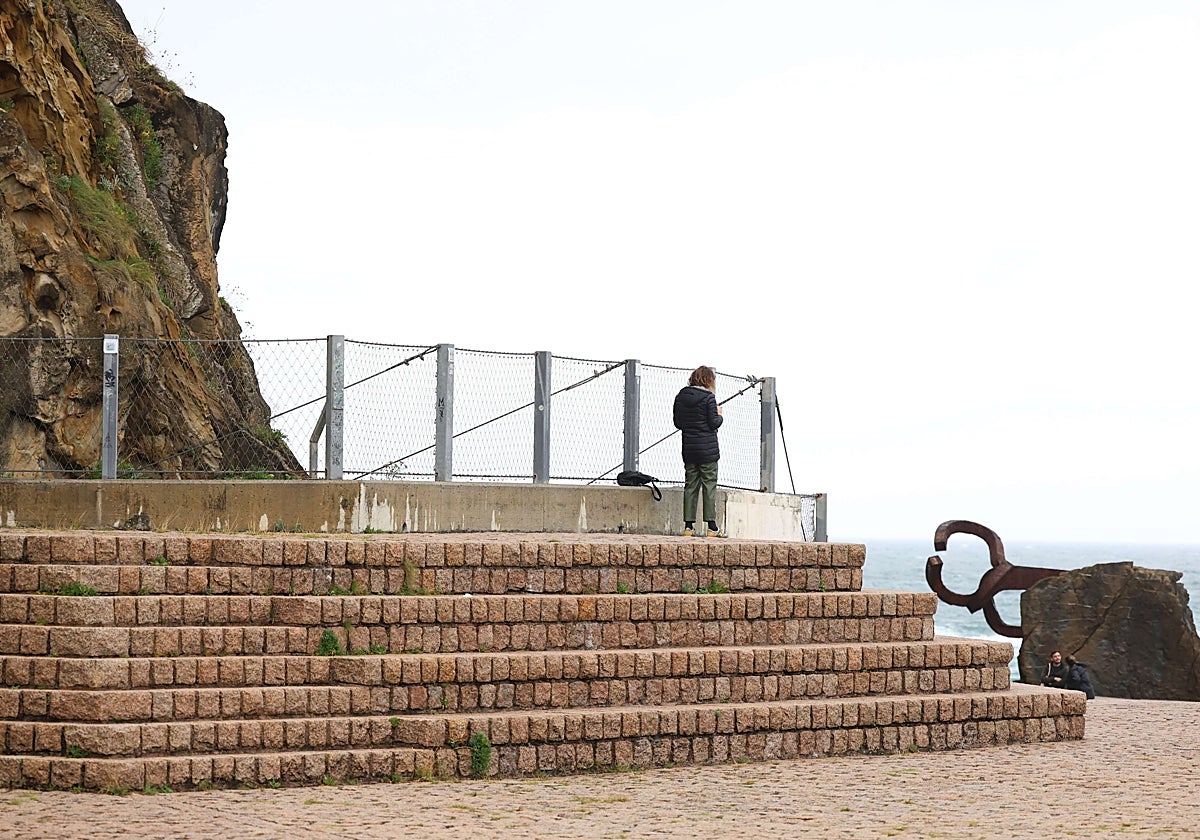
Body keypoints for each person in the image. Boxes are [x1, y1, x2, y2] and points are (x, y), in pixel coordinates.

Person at [672, 365, 723, 537]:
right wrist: (720, 414)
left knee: (691, 486)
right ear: (709, 380)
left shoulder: (681, 396)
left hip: (689, 449)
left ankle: (688, 526)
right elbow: (714, 422)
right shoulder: (709, 398)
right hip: (708, 450)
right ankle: (711, 527)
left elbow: (678, 423)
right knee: (709, 485)